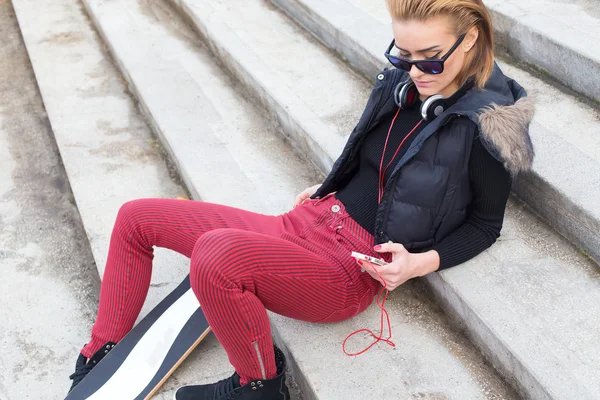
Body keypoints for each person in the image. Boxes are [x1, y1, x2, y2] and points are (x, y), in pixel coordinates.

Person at [68, 0, 535, 398]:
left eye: (430, 59)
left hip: (346, 269)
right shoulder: (402, 86)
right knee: (137, 217)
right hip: (309, 221)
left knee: (215, 256)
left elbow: (484, 226)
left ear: (470, 39)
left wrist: (418, 264)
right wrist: (333, 186)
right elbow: (375, 159)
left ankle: (259, 385)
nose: (414, 71)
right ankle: (102, 349)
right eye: (403, 56)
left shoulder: (487, 128)